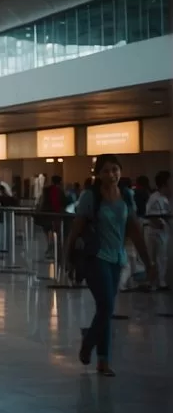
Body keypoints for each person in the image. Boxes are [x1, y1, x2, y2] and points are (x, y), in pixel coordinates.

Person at [64, 154, 153, 377]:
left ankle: (103, 361)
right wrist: (67, 258)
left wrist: (148, 261)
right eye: (106, 170)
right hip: (96, 258)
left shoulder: (126, 195)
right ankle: (88, 343)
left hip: (117, 259)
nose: (111, 174)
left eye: (115, 169)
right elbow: (75, 230)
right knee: (106, 307)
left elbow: (134, 229)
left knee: (105, 309)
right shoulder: (90, 197)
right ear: (98, 174)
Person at [144, 171, 169, 292]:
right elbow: (151, 216)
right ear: (165, 184)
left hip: (160, 232)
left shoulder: (164, 198)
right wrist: (160, 223)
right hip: (154, 232)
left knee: (162, 258)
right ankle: (153, 283)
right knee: (154, 258)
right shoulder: (155, 198)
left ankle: (160, 282)